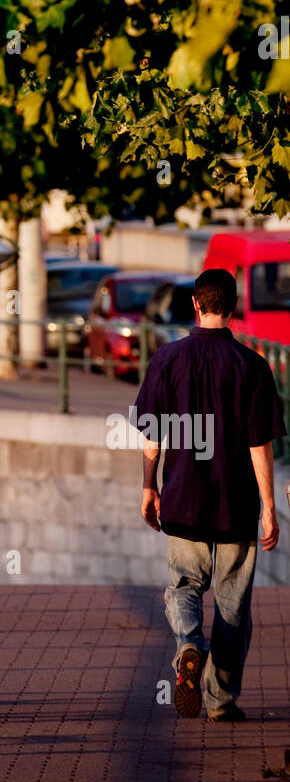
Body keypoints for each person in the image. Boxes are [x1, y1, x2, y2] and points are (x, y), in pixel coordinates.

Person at [135, 268, 284, 722]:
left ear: (195, 305)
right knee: (233, 601)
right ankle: (220, 700)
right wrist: (270, 509)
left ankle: (188, 645)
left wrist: (148, 484)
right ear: (234, 308)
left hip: (182, 496)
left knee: (184, 585)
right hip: (236, 504)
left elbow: (151, 433)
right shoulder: (253, 366)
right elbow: (261, 444)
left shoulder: (167, 359)